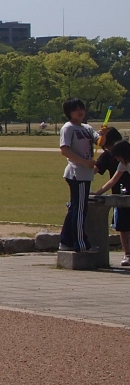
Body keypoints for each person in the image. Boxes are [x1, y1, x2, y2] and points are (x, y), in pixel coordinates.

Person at [59, 98, 99, 253]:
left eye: (81, 108)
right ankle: (81, 245)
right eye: (75, 109)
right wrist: (85, 162)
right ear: (69, 113)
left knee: (74, 208)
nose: (79, 111)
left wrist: (103, 134)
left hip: (85, 174)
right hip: (77, 173)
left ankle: (66, 241)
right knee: (80, 210)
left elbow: (99, 141)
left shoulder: (87, 128)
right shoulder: (68, 128)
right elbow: (64, 150)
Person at [93, 134, 130, 265]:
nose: (117, 159)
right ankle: (127, 254)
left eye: (118, 156)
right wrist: (98, 193)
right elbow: (113, 181)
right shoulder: (123, 164)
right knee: (123, 225)